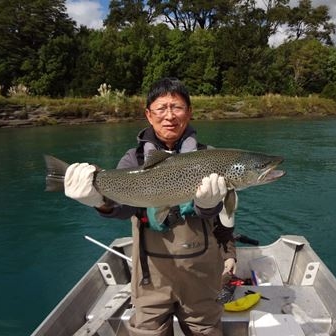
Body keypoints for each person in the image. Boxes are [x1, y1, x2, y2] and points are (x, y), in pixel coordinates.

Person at [64, 77, 236, 336]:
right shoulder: (133, 159)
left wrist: (209, 205)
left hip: (200, 276)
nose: (170, 116)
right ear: (148, 114)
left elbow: (218, 217)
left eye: (177, 107)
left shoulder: (210, 156)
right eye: (161, 108)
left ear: (189, 113)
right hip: (150, 277)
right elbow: (124, 208)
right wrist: (99, 201)